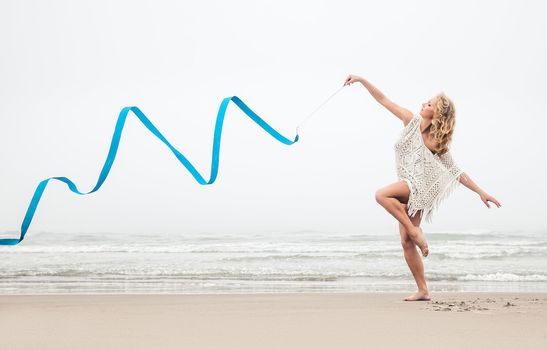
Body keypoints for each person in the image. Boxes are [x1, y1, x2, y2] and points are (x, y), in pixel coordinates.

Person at [343, 74, 502, 301]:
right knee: (406, 243)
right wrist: (360, 79)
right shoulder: (410, 120)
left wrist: (481, 192)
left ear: (436, 113)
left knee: (381, 195)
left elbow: (456, 172)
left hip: (420, 187)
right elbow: (382, 99)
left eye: (428, 104)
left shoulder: (437, 142)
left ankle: (416, 231)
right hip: (408, 184)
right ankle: (423, 290)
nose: (422, 104)